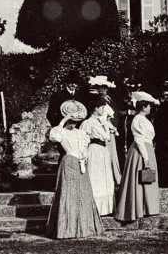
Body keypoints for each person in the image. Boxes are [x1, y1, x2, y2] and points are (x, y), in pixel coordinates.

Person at [46, 100, 103, 239]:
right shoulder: (62, 132)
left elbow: (84, 147)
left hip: (80, 163)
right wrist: (62, 121)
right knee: (68, 192)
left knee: (83, 193)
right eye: (71, 121)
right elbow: (53, 136)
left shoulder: (81, 133)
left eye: (75, 121)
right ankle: (67, 229)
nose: (73, 124)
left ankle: (84, 228)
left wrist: (84, 158)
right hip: (69, 162)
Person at [115, 92, 161, 221]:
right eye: (148, 106)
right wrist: (145, 157)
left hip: (148, 149)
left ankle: (148, 207)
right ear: (143, 107)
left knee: (147, 179)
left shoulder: (144, 119)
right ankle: (139, 208)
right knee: (141, 178)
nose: (150, 108)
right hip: (141, 151)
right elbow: (139, 139)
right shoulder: (138, 119)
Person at [80, 97, 116, 216]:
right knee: (96, 177)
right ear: (95, 109)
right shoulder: (88, 122)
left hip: (103, 151)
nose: (103, 110)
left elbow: (108, 136)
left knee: (104, 177)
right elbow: (83, 140)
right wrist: (83, 157)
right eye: (101, 108)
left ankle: (106, 209)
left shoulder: (103, 121)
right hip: (94, 151)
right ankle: (94, 208)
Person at [88, 75, 123, 181]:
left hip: (110, 129)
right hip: (101, 129)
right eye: (101, 87)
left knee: (112, 153)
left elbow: (114, 114)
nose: (103, 90)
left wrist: (113, 126)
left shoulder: (110, 100)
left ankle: (113, 178)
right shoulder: (96, 100)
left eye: (105, 87)